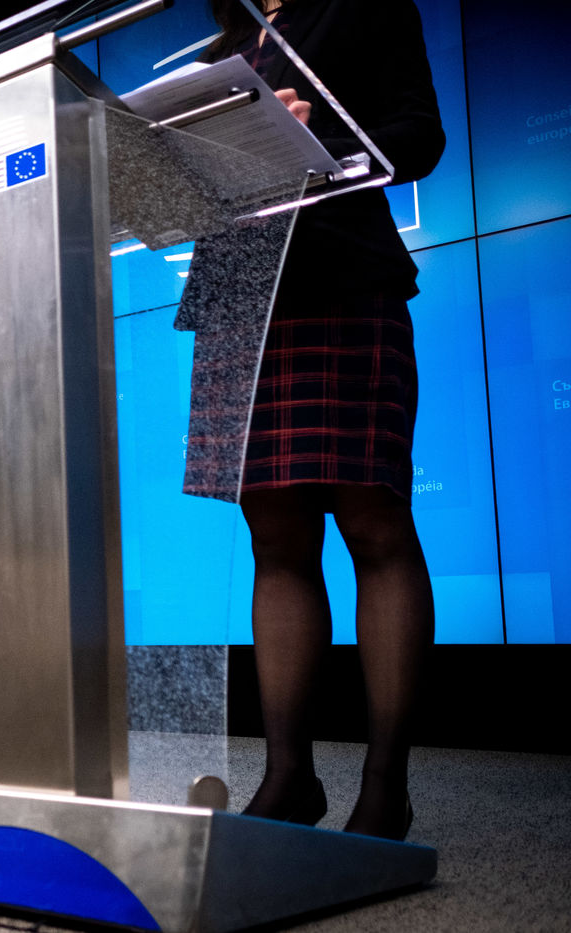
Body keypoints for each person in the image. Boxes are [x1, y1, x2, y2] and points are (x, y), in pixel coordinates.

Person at [199, 0, 445, 839]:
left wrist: (315, 144)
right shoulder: (224, 48)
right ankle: (288, 778)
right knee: (275, 538)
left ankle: (384, 787)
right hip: (240, 295)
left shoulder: (362, 6)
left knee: (374, 523)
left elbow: (419, 137)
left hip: (339, 275)